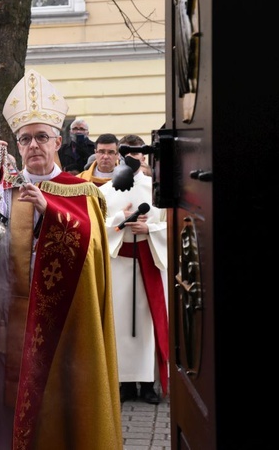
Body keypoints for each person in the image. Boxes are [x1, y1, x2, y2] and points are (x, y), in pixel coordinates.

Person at [0, 68, 122, 449]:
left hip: (59, 325)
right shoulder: (1, 189)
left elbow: (92, 250)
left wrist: (49, 211)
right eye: (25, 139)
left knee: (55, 408)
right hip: (2, 321)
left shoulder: (81, 192)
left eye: (41, 137)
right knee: (2, 402)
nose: (33, 145)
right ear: (18, 145)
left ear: (57, 143)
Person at [101, 134, 168, 405]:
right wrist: (120, 219)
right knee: (120, 324)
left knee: (147, 324)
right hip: (119, 262)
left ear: (145, 156)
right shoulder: (106, 190)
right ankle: (125, 383)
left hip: (149, 263)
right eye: (128, 152)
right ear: (121, 155)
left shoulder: (156, 189)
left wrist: (148, 229)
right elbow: (99, 225)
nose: (134, 157)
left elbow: (170, 224)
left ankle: (148, 384)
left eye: (139, 153)